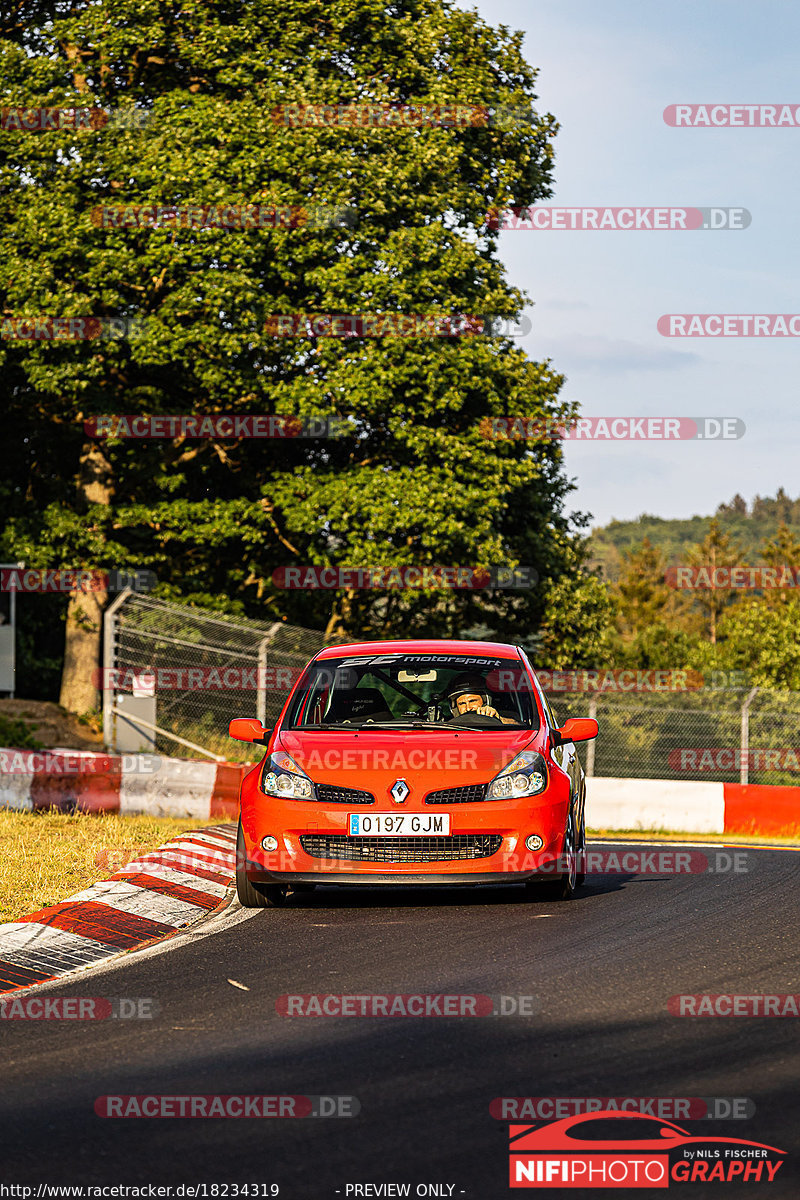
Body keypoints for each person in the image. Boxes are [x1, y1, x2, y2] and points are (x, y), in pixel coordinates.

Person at [446, 676, 516, 725]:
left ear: (486, 701)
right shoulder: (446, 725)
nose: (468, 708)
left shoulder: (507, 715)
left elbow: (520, 726)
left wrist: (499, 719)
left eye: (472, 701)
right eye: (462, 704)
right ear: (455, 708)